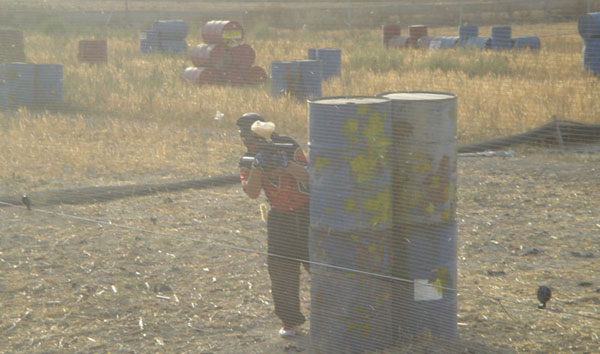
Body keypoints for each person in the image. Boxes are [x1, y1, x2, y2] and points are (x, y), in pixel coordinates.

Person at [236, 113, 310, 338]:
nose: (248, 139)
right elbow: (251, 193)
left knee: (319, 265)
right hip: (280, 216)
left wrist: (285, 163)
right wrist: (259, 166)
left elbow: (310, 176)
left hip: (308, 212)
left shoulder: (287, 145)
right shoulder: (247, 159)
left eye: (251, 133)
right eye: (244, 135)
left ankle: (332, 315)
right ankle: (290, 320)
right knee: (281, 270)